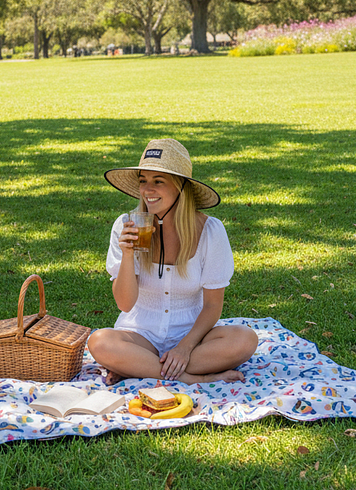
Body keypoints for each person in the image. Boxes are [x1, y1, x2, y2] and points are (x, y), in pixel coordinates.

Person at [87, 139, 258, 386]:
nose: (147, 190)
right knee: (100, 342)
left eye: (158, 181)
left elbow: (212, 305)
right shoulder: (127, 225)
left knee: (244, 339)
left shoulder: (210, 230)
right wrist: (127, 254)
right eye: (143, 181)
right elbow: (125, 304)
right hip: (139, 334)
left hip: (193, 337)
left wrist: (185, 348)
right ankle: (192, 378)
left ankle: (139, 366)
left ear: (180, 187)